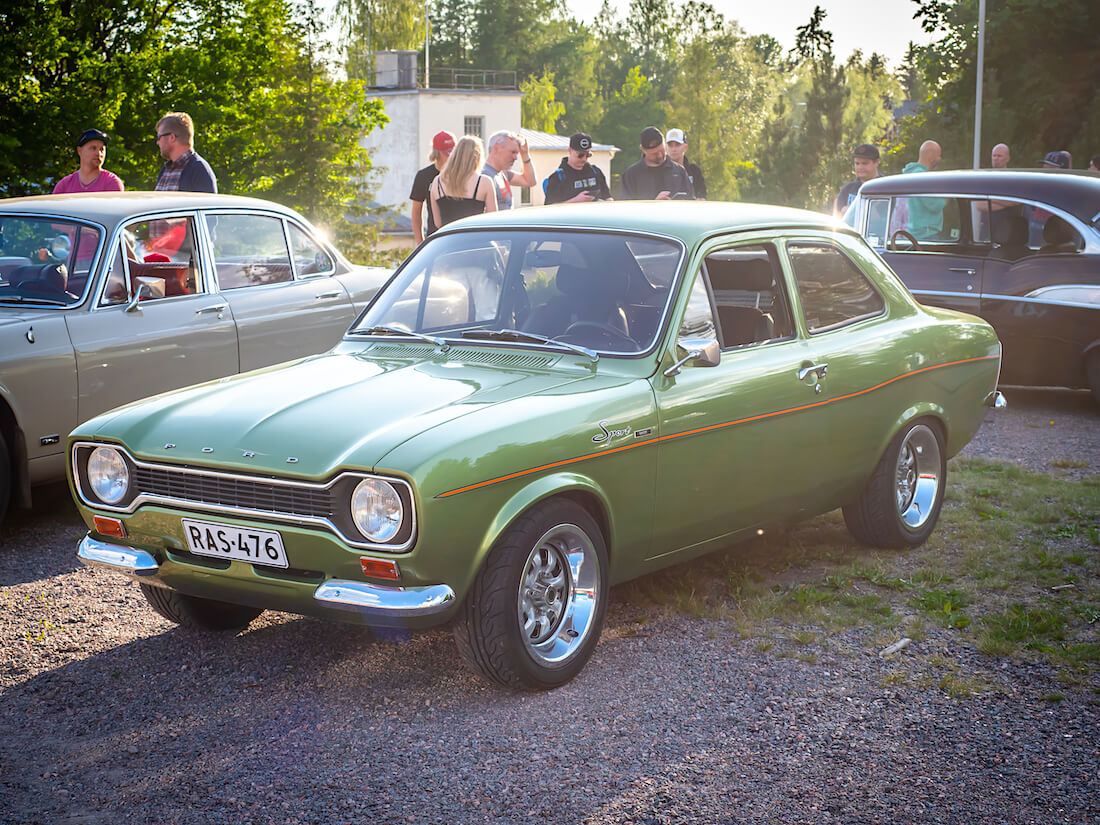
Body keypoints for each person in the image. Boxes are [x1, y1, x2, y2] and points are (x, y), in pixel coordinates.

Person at [429, 135, 498, 229]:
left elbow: (437, 223)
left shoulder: (438, 181)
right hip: (475, 240)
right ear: (478, 156)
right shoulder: (484, 182)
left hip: (449, 240)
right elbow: (492, 221)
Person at [620, 126, 695, 200]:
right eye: (655, 154)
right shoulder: (631, 174)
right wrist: (654, 204)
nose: (660, 156)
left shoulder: (679, 171)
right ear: (643, 149)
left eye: (662, 151)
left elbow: (691, 203)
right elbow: (627, 208)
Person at [409, 130, 455, 243]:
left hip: (458, 235)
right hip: (436, 237)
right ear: (437, 152)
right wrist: (420, 242)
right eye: (446, 153)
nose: (450, 156)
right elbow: (416, 211)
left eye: (453, 152)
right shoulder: (423, 176)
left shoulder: (460, 175)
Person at [154, 112, 218, 192]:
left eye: (159, 137)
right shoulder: (165, 170)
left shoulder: (199, 170)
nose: (158, 142)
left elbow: (208, 204)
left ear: (172, 137)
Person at [542, 133, 612, 204]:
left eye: (588, 155)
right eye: (580, 155)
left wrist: (610, 202)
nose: (584, 159)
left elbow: (607, 197)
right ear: (570, 150)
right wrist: (576, 200)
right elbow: (550, 209)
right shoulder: (558, 178)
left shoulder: (596, 172)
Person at [53, 129, 125, 194]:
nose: (99, 153)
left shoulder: (112, 183)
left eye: (101, 149)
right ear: (79, 150)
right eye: (93, 148)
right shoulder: (64, 185)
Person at [482, 131, 537, 210]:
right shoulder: (484, 175)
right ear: (496, 148)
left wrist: (525, 154)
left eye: (517, 153)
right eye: (512, 152)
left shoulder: (503, 173)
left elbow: (530, 181)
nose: (515, 158)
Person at [902, 140, 944, 239]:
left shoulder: (910, 174)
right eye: (938, 155)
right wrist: (947, 197)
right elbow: (934, 205)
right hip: (926, 233)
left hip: (913, 230)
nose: (939, 158)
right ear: (930, 155)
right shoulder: (922, 177)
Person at [834, 143, 881, 217]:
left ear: (877, 162)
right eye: (857, 163)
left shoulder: (886, 187)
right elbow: (835, 216)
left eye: (865, 163)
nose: (860, 167)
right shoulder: (847, 189)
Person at [664, 128, 706, 199]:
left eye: (677, 145)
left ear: (685, 147)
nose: (674, 149)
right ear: (666, 148)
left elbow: (702, 196)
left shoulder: (694, 171)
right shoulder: (660, 170)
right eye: (670, 145)